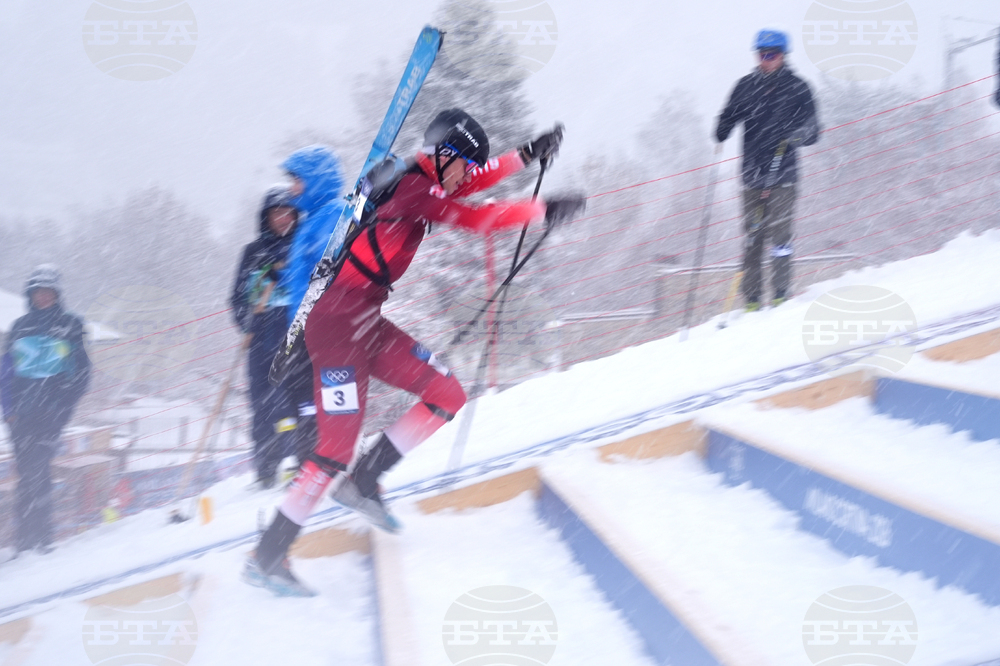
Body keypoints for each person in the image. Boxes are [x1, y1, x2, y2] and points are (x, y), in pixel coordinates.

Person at [244, 109, 583, 596]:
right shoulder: (413, 187)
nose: (467, 175)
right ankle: (267, 556)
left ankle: (365, 480)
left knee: (446, 393)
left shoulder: (425, 177)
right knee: (333, 450)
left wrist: (526, 155)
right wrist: (543, 210)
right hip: (336, 328)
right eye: (464, 164)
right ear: (444, 155)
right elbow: (478, 219)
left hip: (365, 320)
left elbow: (472, 182)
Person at [715, 29, 819, 311]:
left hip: (783, 175)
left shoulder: (798, 88)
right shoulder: (745, 87)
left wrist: (796, 135)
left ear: (783, 56)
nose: (766, 59)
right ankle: (751, 300)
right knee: (752, 239)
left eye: (771, 54)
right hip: (752, 176)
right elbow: (728, 116)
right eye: (761, 54)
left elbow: (814, 130)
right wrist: (722, 127)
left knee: (780, 238)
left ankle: (780, 294)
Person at [0, 265, 91, 555]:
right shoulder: (20, 326)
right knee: (26, 474)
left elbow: (81, 373)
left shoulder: (70, 325)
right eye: (38, 291)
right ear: (30, 294)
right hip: (20, 416)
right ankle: (25, 541)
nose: (43, 296)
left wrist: (62, 409)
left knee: (38, 471)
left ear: (57, 294)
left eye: (48, 291)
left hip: (50, 416)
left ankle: (43, 538)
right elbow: (6, 372)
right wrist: (8, 411)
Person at [230, 187, 303, 488]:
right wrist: (247, 322)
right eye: (276, 213)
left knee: (294, 401)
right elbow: (237, 298)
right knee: (262, 406)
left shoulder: (302, 245)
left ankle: (299, 459)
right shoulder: (253, 253)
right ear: (266, 218)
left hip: (295, 338)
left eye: (288, 212)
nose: (283, 218)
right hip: (260, 342)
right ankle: (265, 468)